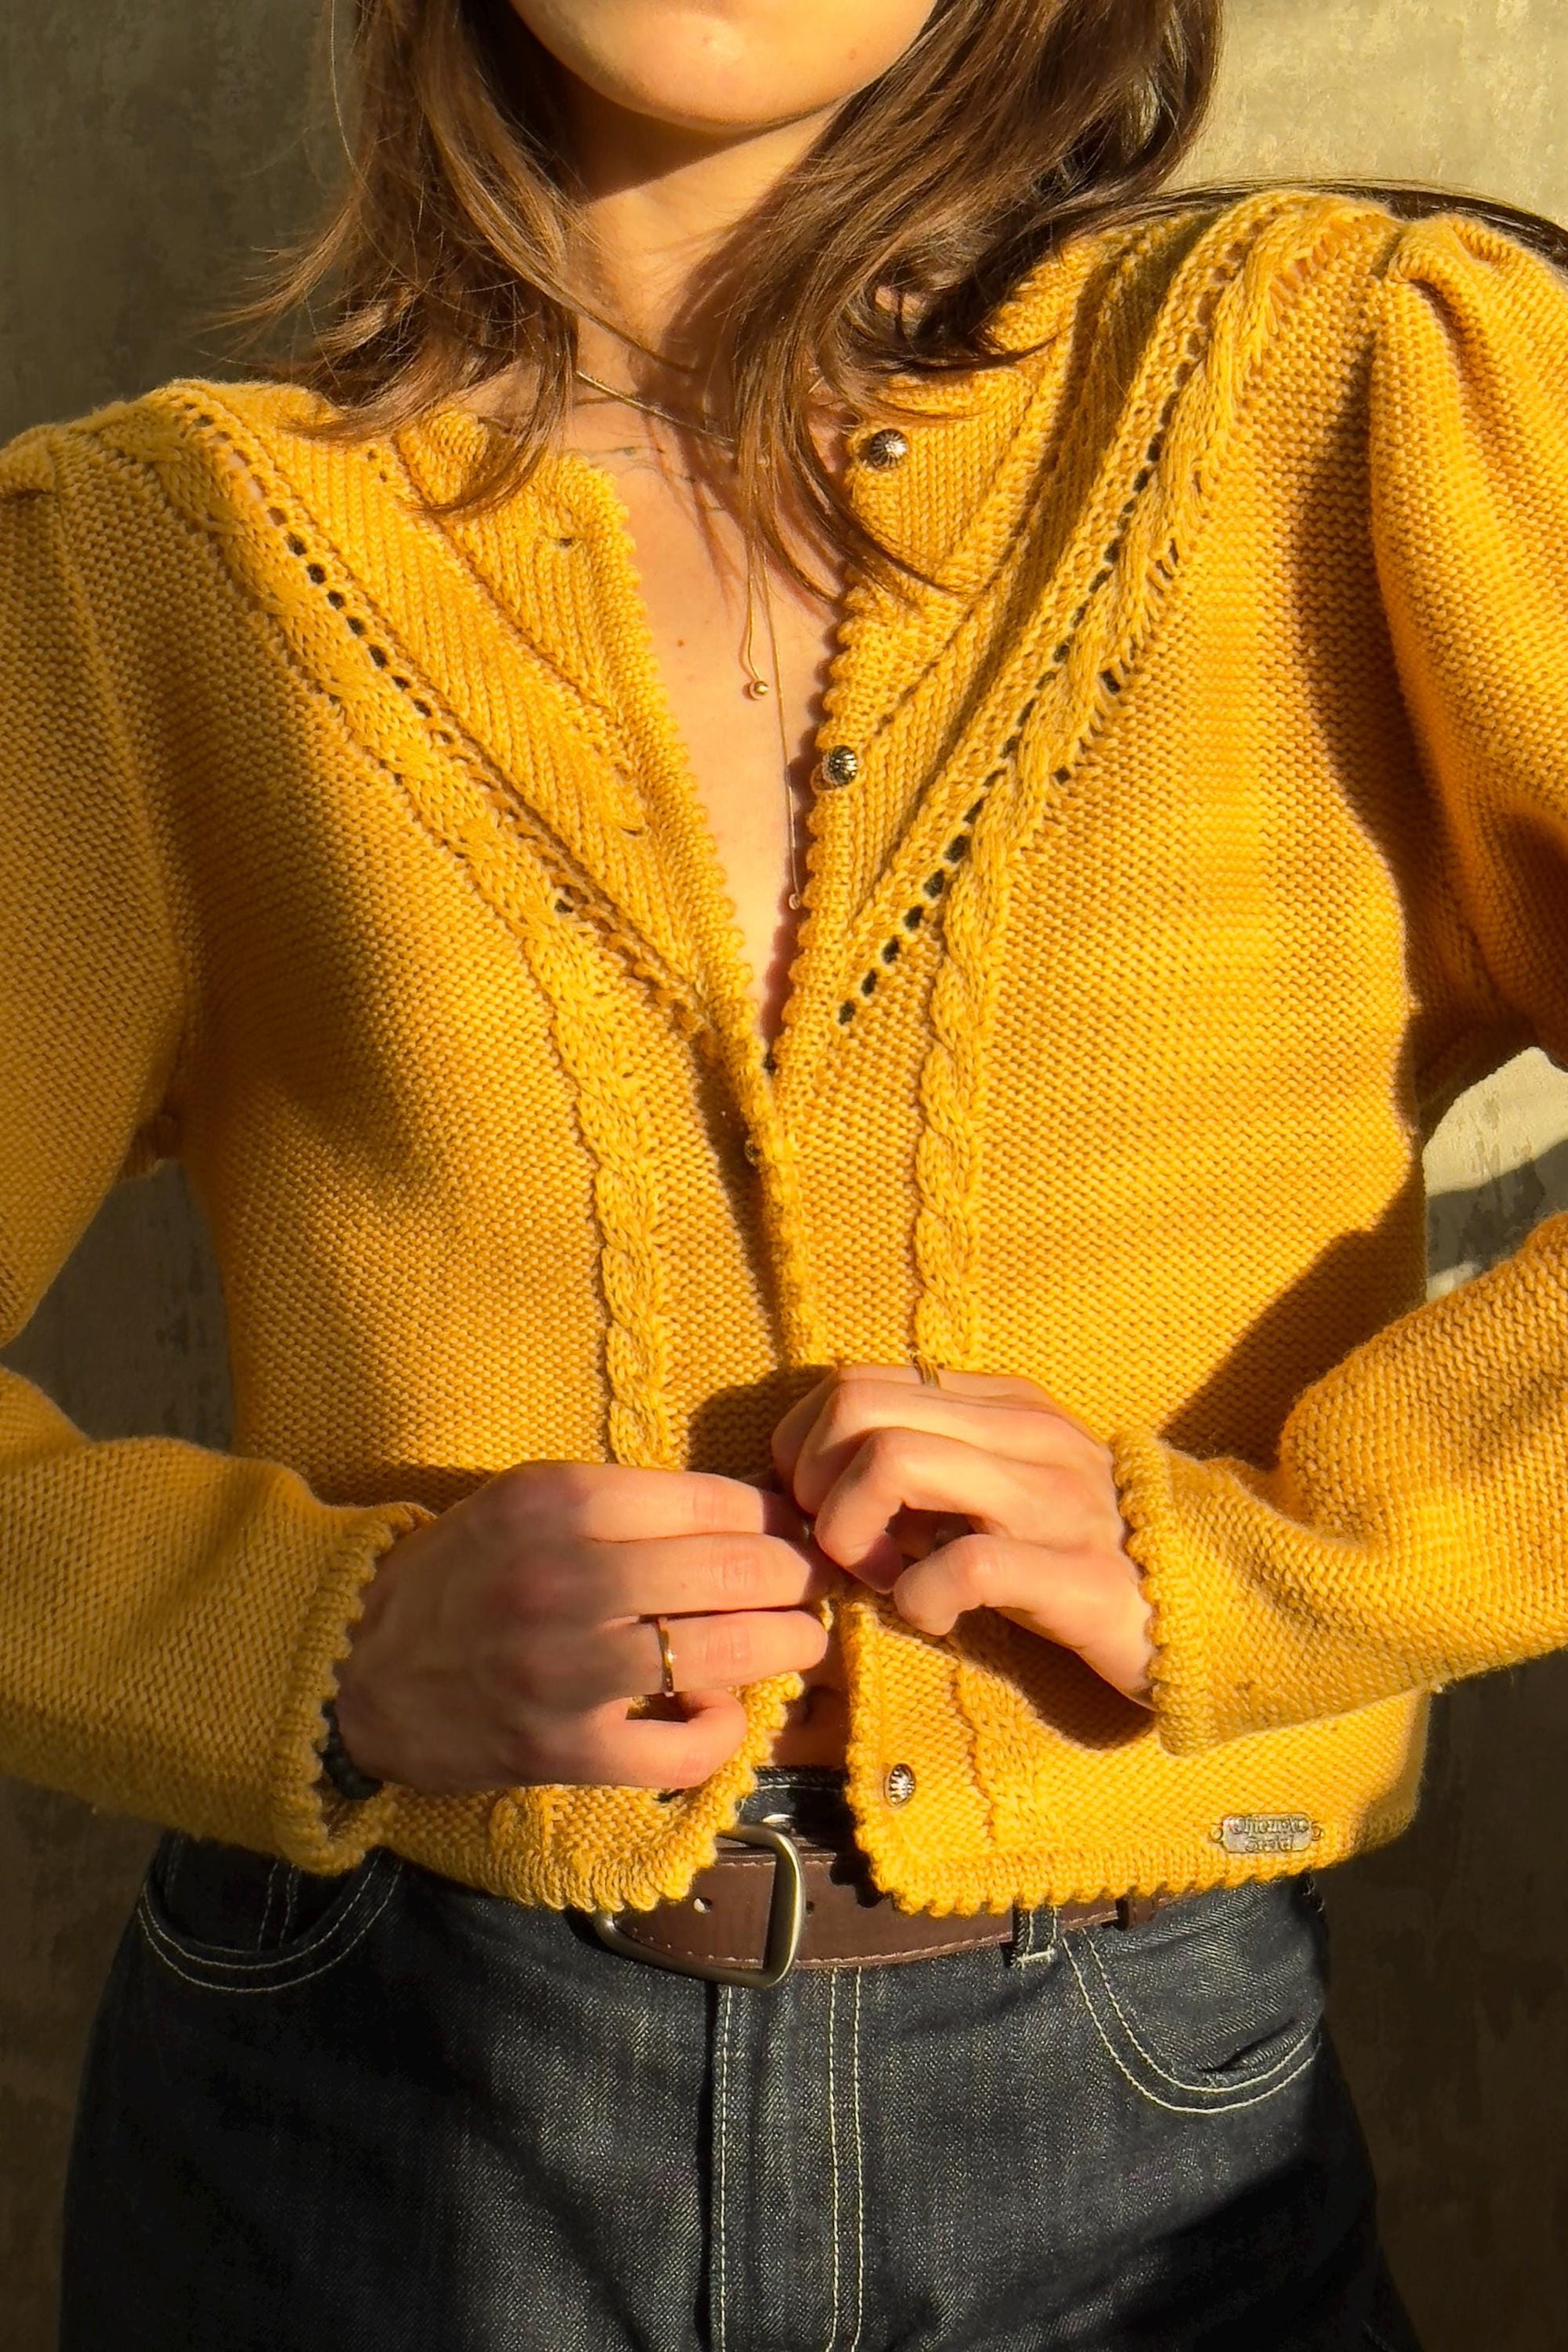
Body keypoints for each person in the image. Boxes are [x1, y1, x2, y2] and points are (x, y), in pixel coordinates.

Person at [3, 0, 1566, 2342]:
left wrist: (1305, 1556)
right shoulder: (159, 567)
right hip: (361, 2100)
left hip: (1141, 2122)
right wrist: (314, 1648)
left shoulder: (1351, 398)